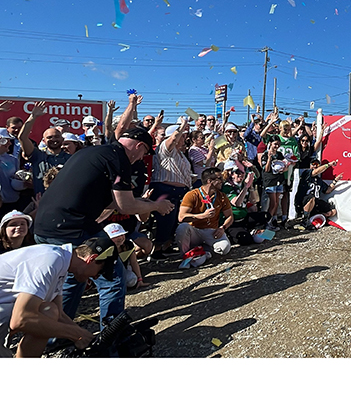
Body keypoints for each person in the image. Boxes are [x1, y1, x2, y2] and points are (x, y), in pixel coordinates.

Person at [33, 126, 174, 323]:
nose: (141, 158)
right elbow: (124, 206)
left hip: (43, 226)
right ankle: (111, 332)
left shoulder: (91, 152)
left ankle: (56, 335)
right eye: (144, 153)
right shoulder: (119, 159)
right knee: (111, 275)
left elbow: (111, 202)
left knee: (72, 278)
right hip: (72, 227)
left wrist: (149, 204)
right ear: (139, 145)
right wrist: (157, 206)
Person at [0, 235, 115, 358]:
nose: (96, 277)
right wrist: (77, 335)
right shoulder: (49, 260)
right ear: (91, 259)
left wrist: (87, 337)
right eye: (100, 271)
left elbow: (58, 314)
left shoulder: (61, 261)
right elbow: (21, 319)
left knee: (50, 311)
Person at [149, 119, 193, 260]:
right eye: (183, 135)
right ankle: (157, 249)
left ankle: (166, 246)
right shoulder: (165, 148)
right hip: (165, 189)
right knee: (165, 219)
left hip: (178, 190)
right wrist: (182, 125)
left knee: (174, 220)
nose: (185, 138)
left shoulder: (180, 153)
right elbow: (173, 138)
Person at [176, 168, 233, 264]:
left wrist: (222, 228)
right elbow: (181, 217)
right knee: (182, 227)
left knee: (225, 248)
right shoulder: (192, 195)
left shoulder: (222, 196)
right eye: (219, 178)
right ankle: (186, 255)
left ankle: (205, 251)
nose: (222, 181)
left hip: (212, 230)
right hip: (194, 230)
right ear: (209, 181)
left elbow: (230, 216)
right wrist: (202, 216)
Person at [18, 101, 71, 195]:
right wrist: (33, 116)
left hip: (64, 200)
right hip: (41, 201)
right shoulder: (37, 156)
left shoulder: (71, 159)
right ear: (43, 141)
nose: (54, 139)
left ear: (63, 139)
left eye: (57, 137)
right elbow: (22, 137)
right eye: (49, 137)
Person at [296, 159, 341, 229]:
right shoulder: (306, 174)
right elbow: (316, 172)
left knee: (333, 211)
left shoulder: (319, 180)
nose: (315, 166)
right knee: (311, 198)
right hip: (304, 201)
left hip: (315, 203)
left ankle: (315, 218)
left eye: (317, 164)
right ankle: (304, 220)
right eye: (313, 164)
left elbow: (327, 190)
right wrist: (329, 165)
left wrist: (335, 181)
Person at [103, 223, 148, 290]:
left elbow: (134, 262)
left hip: (124, 268)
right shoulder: (103, 249)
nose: (120, 238)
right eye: (115, 236)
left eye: (122, 234)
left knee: (131, 280)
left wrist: (139, 279)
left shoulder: (128, 245)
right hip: (108, 273)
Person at [259, 135, 287, 230]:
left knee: (276, 202)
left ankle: (272, 222)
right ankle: (267, 223)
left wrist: (284, 168)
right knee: (272, 203)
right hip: (270, 181)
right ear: (270, 143)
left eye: (278, 144)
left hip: (279, 180)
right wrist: (269, 159)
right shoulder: (265, 155)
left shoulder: (279, 154)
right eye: (275, 144)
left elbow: (284, 165)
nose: (276, 146)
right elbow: (266, 170)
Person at [0, 128, 26, 216]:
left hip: (12, 202)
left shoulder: (13, 159)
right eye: (7, 141)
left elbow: (16, 177)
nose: (10, 143)